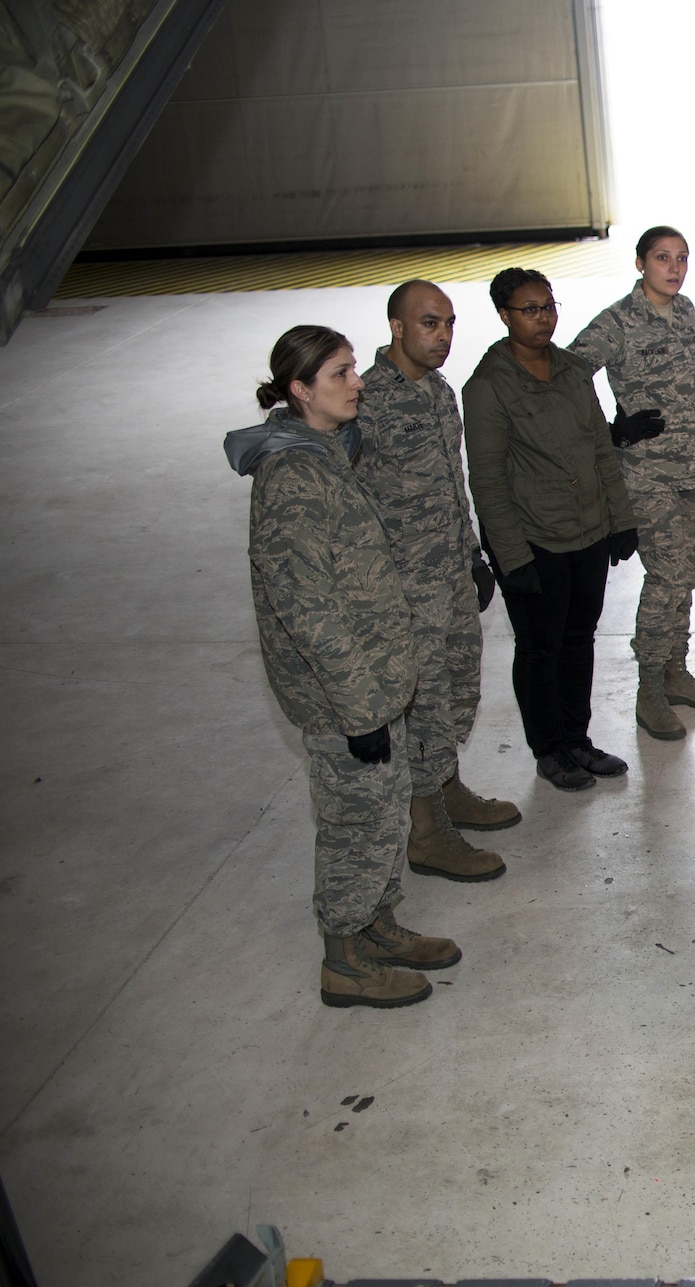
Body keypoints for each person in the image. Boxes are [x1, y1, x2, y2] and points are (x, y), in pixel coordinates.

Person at [225, 325, 460, 1009]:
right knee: (355, 821)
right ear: (300, 390)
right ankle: (345, 960)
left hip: (374, 683)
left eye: (355, 368)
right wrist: (359, 709)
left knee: (384, 813)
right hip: (344, 697)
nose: (357, 382)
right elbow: (308, 610)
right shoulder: (292, 478)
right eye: (340, 373)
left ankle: (376, 924)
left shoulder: (325, 453)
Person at [354, 281, 515, 885]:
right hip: (403, 587)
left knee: (455, 693)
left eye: (448, 323)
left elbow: (454, 483)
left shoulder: (441, 393)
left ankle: (446, 790)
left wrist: (473, 555)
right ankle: (426, 835)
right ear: (396, 327)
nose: (443, 335)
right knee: (421, 707)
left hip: (448, 573)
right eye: (428, 324)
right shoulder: (366, 402)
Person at [463, 268, 640, 792]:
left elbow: (600, 449)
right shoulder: (489, 385)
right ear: (504, 315)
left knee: (579, 637)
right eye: (529, 309)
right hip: (534, 538)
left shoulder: (572, 370)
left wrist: (621, 518)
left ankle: (578, 739)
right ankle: (549, 748)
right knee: (540, 646)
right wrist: (511, 557)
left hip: (586, 530)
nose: (543, 318)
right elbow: (488, 479)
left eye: (548, 306)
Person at [570, 226, 695, 743]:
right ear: (641, 263)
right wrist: (611, 431)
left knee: (688, 575)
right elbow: (568, 375)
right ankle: (649, 691)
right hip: (648, 475)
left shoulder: (685, 312)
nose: (674, 268)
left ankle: (674, 670)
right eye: (663, 258)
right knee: (666, 577)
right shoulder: (617, 322)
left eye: (682, 258)